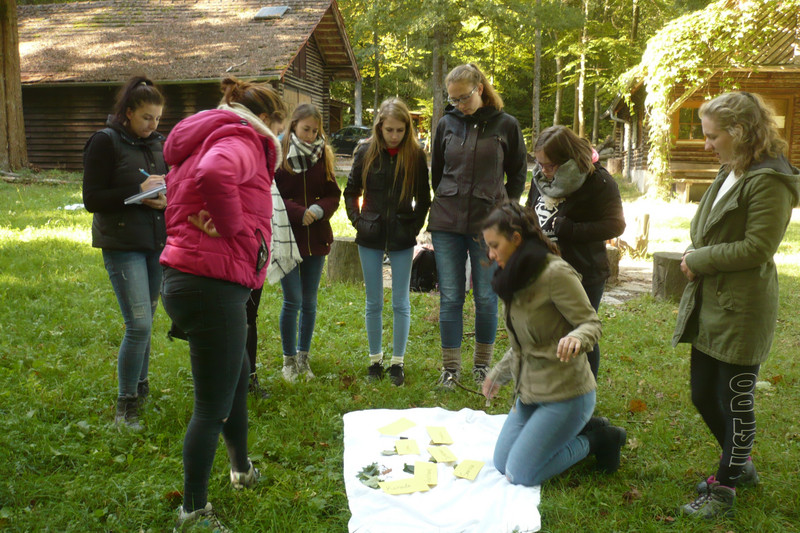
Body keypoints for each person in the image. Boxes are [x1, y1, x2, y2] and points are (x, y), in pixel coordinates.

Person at [160, 76, 286, 531]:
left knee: (235, 377)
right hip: (210, 284)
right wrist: (236, 228)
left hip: (187, 276)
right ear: (268, 119)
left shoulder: (207, 133)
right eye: (281, 126)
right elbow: (214, 173)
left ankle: (241, 470)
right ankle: (192, 510)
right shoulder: (243, 139)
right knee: (211, 405)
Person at [673, 91, 800, 519]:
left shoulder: (769, 180)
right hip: (715, 300)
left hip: (742, 308)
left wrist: (699, 260)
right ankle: (739, 464)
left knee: (735, 400)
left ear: (740, 132)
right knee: (702, 395)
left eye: (712, 136)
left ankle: (724, 487)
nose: (706, 145)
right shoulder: (734, 168)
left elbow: (758, 248)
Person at [481, 202, 626, 487]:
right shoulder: (513, 276)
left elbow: (591, 323)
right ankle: (575, 431)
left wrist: (577, 337)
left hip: (567, 395)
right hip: (531, 392)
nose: (490, 254)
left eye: (495, 245)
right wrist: (499, 372)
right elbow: (525, 344)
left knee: (519, 474)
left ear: (516, 239)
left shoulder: (555, 274)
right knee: (501, 463)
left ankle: (597, 439)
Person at [428, 63, 527, 389]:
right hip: (446, 221)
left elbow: (517, 175)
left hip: (489, 227)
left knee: (486, 296)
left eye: (464, 97)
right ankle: (450, 370)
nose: (458, 104)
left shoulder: (507, 125)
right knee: (451, 296)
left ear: (480, 89)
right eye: (453, 99)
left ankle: (482, 366)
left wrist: (503, 210)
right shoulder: (446, 123)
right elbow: (437, 173)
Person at [82, 75, 167, 430]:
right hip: (121, 243)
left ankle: (141, 388)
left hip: (155, 242)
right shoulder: (105, 141)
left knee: (147, 321)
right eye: (147, 117)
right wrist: (137, 189)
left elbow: (165, 185)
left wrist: (162, 200)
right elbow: (92, 199)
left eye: (158, 119)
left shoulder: (159, 142)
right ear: (128, 112)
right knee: (139, 325)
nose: (153, 125)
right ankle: (125, 405)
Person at [524, 125, 625, 379]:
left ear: (567, 160)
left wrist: (572, 230)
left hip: (583, 272)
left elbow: (616, 224)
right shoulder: (541, 177)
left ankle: (584, 394)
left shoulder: (598, 181)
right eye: (539, 164)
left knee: (580, 333)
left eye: (549, 165)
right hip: (542, 270)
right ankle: (552, 389)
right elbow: (529, 211)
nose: (542, 171)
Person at [344, 97, 431, 386]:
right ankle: (374, 361)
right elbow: (351, 191)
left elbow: (423, 199)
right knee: (373, 302)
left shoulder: (415, 156)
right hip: (369, 234)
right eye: (389, 130)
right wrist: (359, 221)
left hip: (402, 235)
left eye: (400, 130)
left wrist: (413, 227)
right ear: (379, 126)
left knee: (400, 301)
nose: (394, 136)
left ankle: (398, 363)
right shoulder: (365, 151)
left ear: (408, 129)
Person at [274, 103, 341, 382]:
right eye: (306, 129)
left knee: (310, 301)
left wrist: (319, 209)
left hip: (316, 237)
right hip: (287, 236)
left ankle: (304, 357)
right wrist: (299, 213)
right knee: (293, 300)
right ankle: (288, 361)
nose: (311, 135)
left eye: (315, 130)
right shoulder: (278, 156)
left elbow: (333, 194)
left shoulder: (322, 155)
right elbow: (271, 195)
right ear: (293, 126)